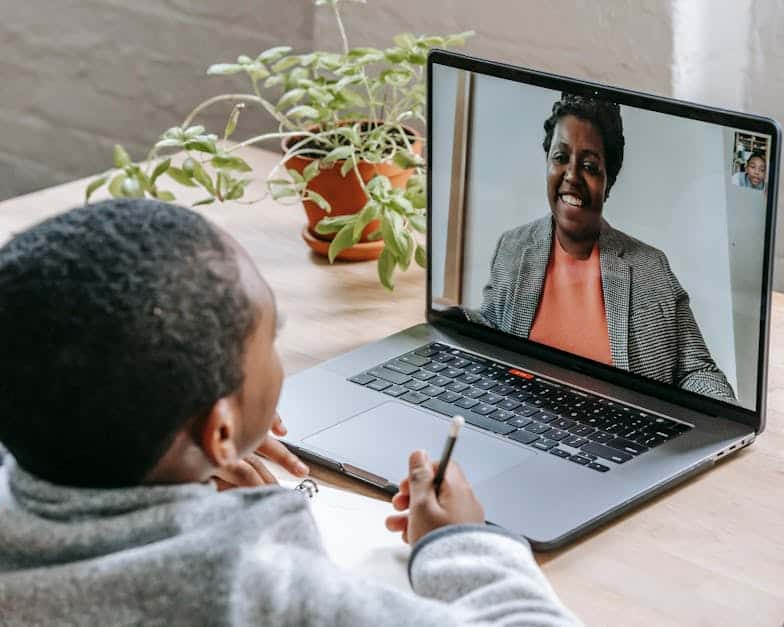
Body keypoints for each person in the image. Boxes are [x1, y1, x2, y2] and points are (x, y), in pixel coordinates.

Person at [0, 199, 579, 626]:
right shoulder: (255, 593)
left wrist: (194, 461)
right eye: (270, 337)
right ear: (220, 430)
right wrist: (456, 545)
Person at [474, 93, 736, 403]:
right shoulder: (514, 246)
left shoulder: (649, 267)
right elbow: (489, 331)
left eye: (589, 165)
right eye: (560, 158)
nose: (571, 175)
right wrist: (453, 322)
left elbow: (697, 372)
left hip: (615, 439)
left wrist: (716, 427)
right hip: (518, 422)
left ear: (608, 182)